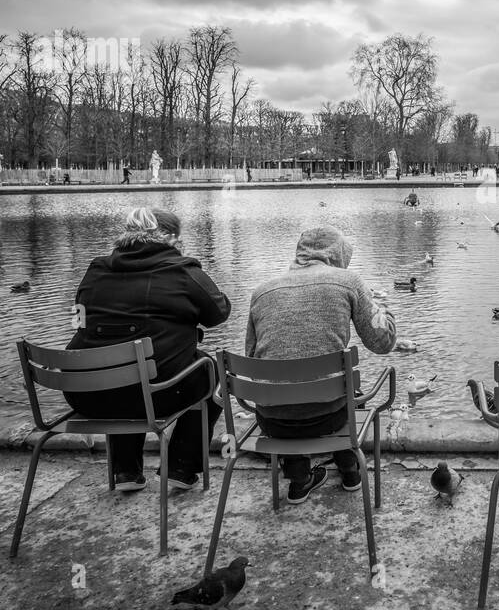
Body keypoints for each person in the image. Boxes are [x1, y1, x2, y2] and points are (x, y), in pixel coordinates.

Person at [66, 208, 230, 491]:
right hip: (155, 396)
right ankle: (181, 466)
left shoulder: (96, 269)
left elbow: (79, 318)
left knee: (122, 368)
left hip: (86, 395)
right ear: (173, 238)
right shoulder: (182, 270)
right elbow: (218, 313)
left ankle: (125, 471)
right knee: (212, 371)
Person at [245, 226, 397, 501]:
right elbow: (382, 343)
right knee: (345, 391)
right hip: (331, 416)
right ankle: (350, 470)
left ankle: (299, 479)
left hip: (273, 422)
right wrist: (384, 313)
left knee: (291, 391)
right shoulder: (348, 282)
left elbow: (253, 357)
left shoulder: (262, 292)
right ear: (339, 254)